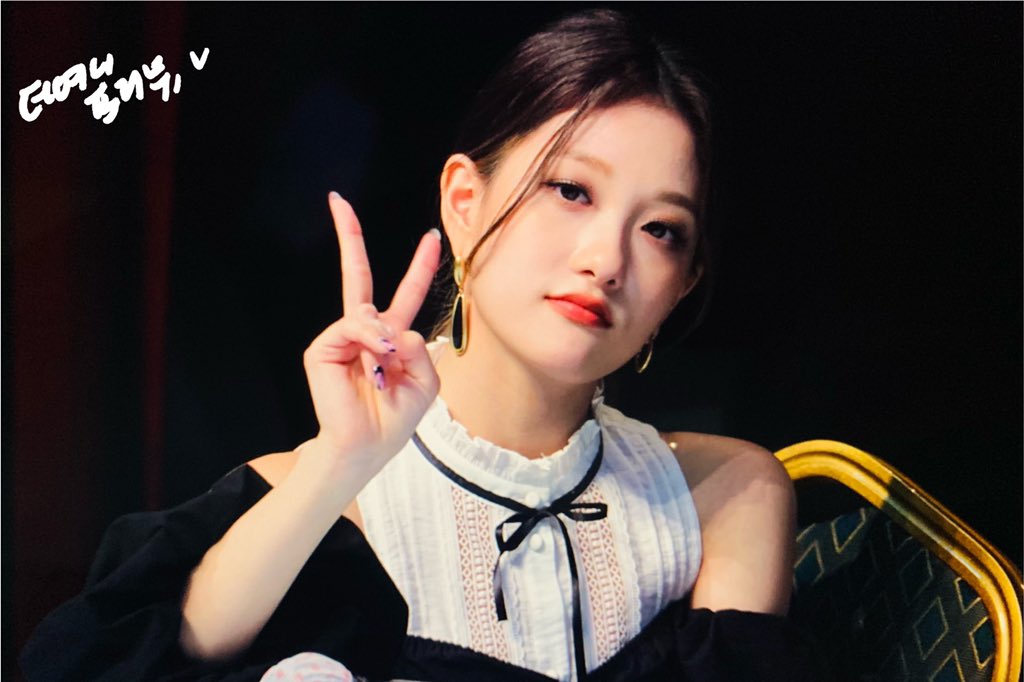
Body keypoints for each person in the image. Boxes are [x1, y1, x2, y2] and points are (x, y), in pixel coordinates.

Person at [21, 9, 828, 681]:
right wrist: (337, 467)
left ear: (683, 284)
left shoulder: (727, 493)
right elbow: (120, 661)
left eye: (661, 230)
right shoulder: (310, 492)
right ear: (464, 201)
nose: (607, 260)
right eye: (571, 190)